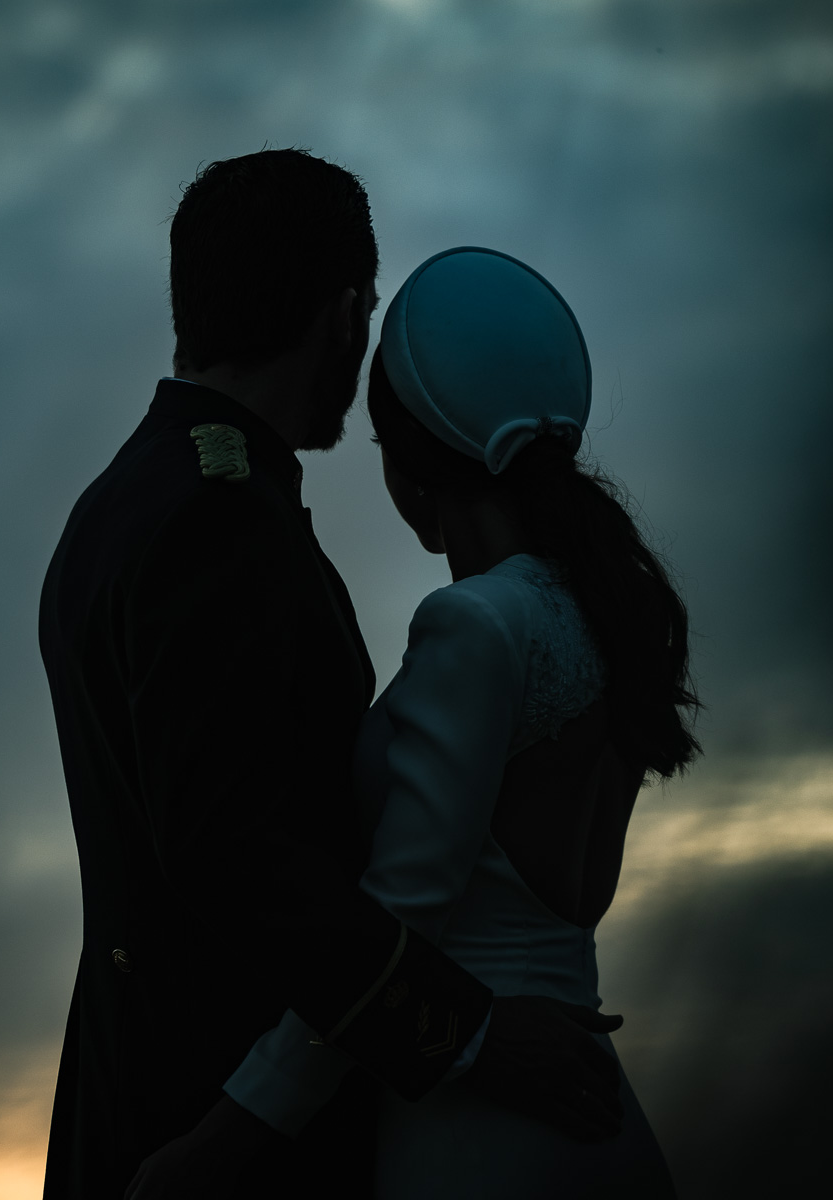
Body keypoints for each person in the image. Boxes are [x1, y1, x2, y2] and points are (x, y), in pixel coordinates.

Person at [38, 152, 624, 1200]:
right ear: (348, 311)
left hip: (154, 1094)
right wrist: (477, 1034)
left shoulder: (130, 500)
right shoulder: (222, 520)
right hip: (216, 1133)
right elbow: (243, 863)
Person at [210, 246, 697, 1197]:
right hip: (594, 1123)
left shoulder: (477, 623)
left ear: (410, 463)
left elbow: (402, 921)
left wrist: (231, 1135)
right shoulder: (603, 612)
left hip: (481, 1137)